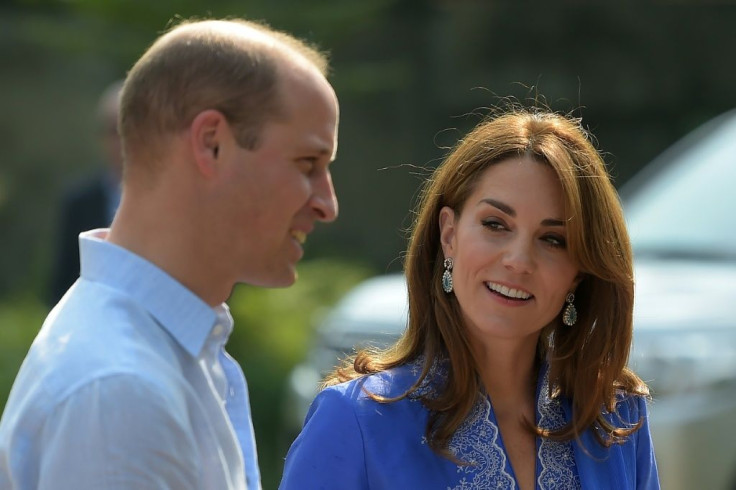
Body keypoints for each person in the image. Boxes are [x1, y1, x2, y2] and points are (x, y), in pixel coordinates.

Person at [0, 17, 339, 490]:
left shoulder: (153, 357)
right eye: (308, 164)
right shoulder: (120, 389)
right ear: (211, 143)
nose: (327, 204)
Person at [280, 107, 660, 489]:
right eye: (495, 225)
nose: (518, 261)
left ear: (578, 272)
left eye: (553, 240)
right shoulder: (354, 420)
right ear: (449, 235)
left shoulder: (616, 420)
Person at [48, 80, 124, 305]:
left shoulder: (168, 201)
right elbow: (61, 281)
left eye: (127, 129)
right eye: (113, 131)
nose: (121, 142)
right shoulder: (78, 202)